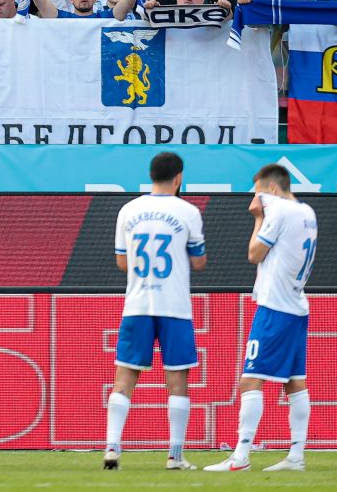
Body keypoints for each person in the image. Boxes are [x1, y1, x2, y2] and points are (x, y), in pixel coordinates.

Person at [205, 164, 316, 473]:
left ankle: (241, 455)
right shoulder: (307, 211)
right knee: (294, 382)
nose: (254, 199)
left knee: (250, 380)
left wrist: (258, 218)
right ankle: (296, 455)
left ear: (270, 189)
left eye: (257, 192)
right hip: (295, 305)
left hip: (275, 307)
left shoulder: (277, 210)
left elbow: (255, 253)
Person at [104, 151, 206, 471]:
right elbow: (199, 261)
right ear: (179, 178)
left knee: (125, 377)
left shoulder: (128, 209)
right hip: (174, 305)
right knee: (177, 380)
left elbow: (122, 261)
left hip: (137, 304)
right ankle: (175, 455)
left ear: (151, 176)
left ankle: (111, 448)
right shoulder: (188, 211)